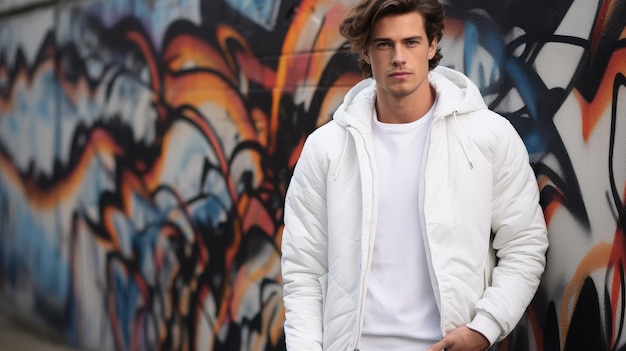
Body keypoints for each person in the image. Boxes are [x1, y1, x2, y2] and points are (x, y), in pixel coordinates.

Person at [280, 0, 549, 350]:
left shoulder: (488, 137)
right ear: (366, 50)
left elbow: (525, 244)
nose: (398, 57)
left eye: (411, 42)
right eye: (383, 44)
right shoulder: (326, 148)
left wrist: (483, 328)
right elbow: (303, 269)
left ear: (433, 43)